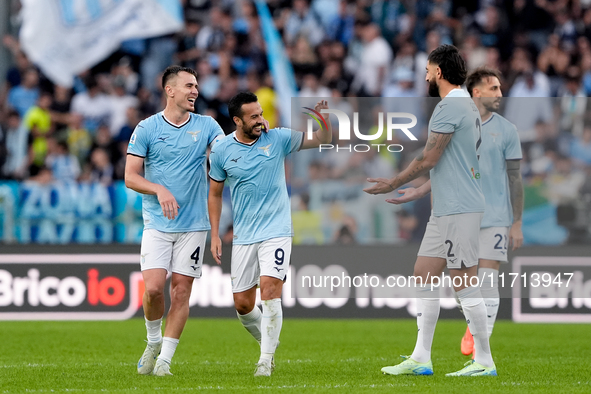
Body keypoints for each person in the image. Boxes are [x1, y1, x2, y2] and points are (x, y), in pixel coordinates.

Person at [364, 45, 496, 376]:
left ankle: (484, 361)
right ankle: (421, 357)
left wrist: (394, 181)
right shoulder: (466, 106)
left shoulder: (450, 107)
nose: (424, 74)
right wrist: (420, 190)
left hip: (459, 208)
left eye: (427, 68)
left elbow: (429, 158)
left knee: (464, 283)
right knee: (424, 271)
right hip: (446, 207)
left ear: (438, 71)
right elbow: (454, 164)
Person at [389, 67, 524, 357]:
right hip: (453, 208)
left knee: (481, 282)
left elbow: (515, 178)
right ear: (476, 91)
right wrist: (420, 190)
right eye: (494, 88)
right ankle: (423, 355)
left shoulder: (506, 130)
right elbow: (445, 167)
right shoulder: (463, 118)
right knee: (441, 279)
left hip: (491, 215)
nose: (500, 94)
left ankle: (481, 352)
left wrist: (517, 221)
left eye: (501, 88)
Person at [208, 92, 331, 377]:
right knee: (242, 304)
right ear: (237, 120)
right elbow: (214, 194)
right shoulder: (222, 150)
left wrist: (321, 115)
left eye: (261, 114)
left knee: (270, 289)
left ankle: (265, 360)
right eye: (254, 117)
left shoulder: (278, 138)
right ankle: (268, 341)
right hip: (243, 235)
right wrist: (215, 234)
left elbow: (322, 137)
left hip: (276, 230)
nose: (261, 121)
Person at [125, 65, 225, 376]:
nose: (195, 91)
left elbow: (228, 153)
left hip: (194, 225)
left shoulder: (207, 126)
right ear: (170, 90)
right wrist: (158, 189)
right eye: (189, 86)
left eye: (196, 86)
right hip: (157, 222)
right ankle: (153, 341)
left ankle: (165, 361)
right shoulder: (146, 128)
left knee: (181, 291)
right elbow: (130, 177)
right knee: (154, 289)